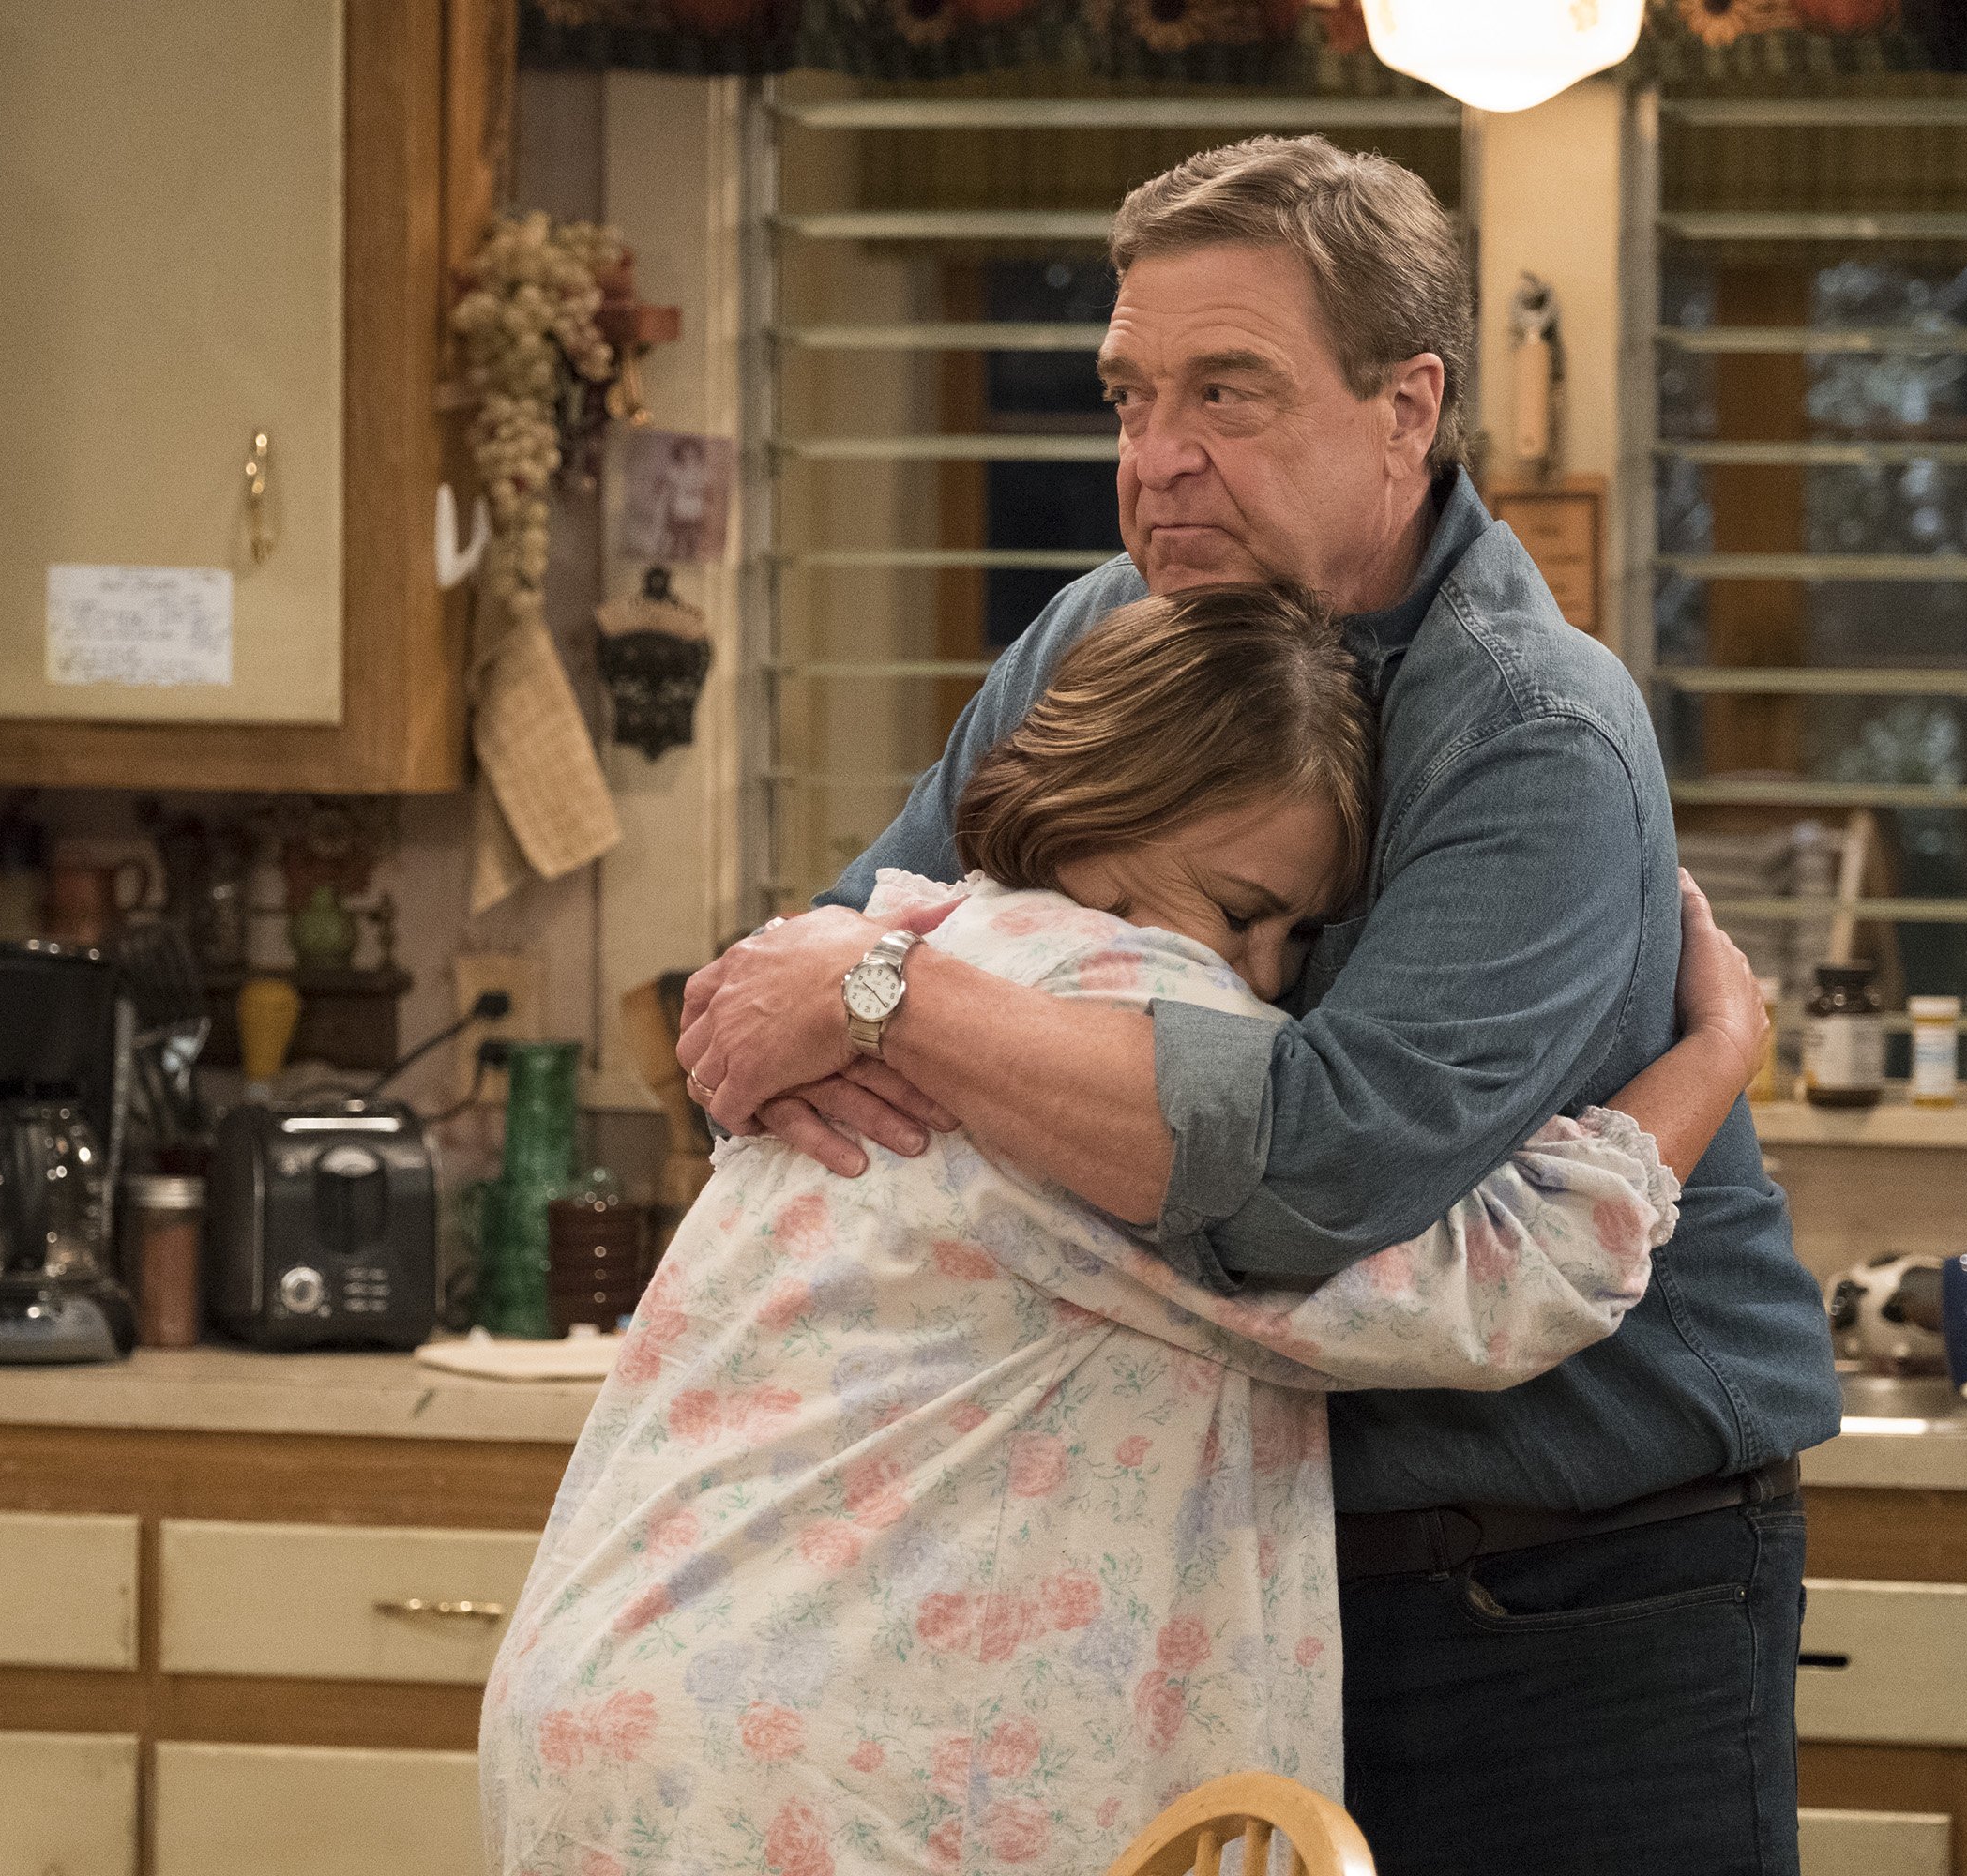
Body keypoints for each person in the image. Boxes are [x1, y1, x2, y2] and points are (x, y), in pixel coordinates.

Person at [674, 136, 1841, 1876]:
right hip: (1226, 1574)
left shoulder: (1533, 729)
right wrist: (839, 1002)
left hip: (1566, 1585)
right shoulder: (1094, 641)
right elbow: (816, 989)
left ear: (1407, 408)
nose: (1159, 463)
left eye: (1230, 392)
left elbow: (1310, 1176)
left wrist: (884, 1009)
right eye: (1130, 398)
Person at [487, 586, 1771, 1876]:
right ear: (1107, 810)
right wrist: (1716, 1054)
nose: (1265, 978)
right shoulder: (1107, 1007)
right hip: (790, 1776)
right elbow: (1480, 1287)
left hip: (641, 1706)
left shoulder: (906, 946)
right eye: (1238, 908)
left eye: (1293, 934)